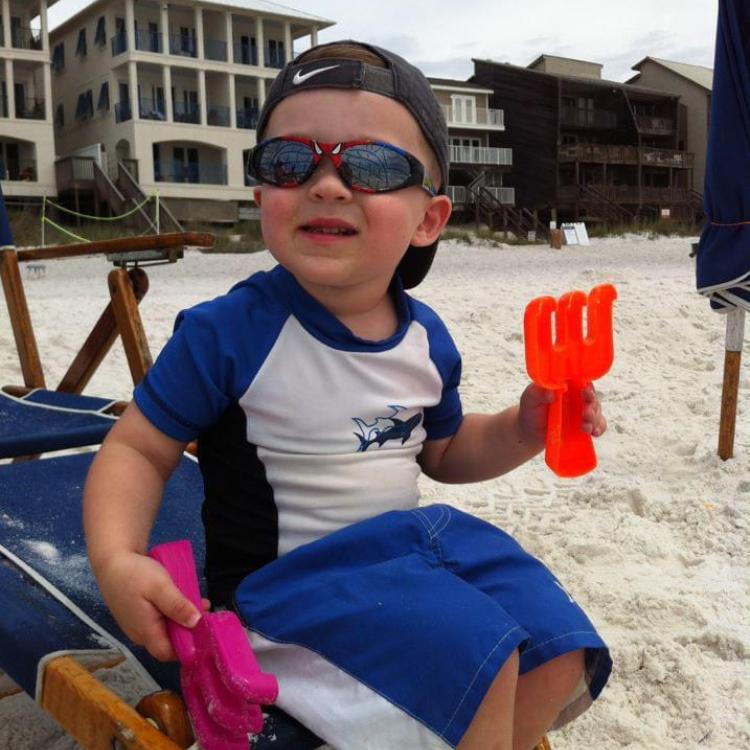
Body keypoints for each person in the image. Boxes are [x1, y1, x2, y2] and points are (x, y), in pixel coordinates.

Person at [84, 40, 612, 750]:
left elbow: (446, 452)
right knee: (475, 661)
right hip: (282, 596)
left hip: (403, 558)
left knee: (556, 646)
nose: (327, 184)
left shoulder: (426, 338)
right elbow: (139, 450)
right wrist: (118, 558)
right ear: (261, 193)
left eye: (371, 165)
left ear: (428, 219)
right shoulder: (230, 333)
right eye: (288, 161)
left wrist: (524, 426)